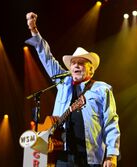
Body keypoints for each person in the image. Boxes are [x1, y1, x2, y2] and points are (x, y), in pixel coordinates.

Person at [25, 12, 120, 167]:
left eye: (81, 63)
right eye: (73, 63)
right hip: (63, 155)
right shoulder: (64, 82)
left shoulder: (102, 89)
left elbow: (111, 123)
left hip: (90, 158)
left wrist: (112, 155)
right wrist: (34, 29)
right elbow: (47, 58)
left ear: (91, 70)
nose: (75, 65)